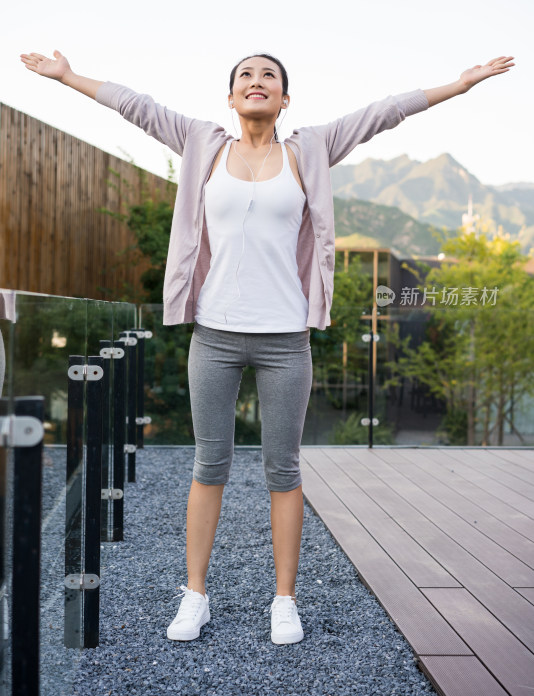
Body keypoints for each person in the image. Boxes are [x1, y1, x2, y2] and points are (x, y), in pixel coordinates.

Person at [20, 49, 514, 645]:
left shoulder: (311, 150)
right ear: (231, 98)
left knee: (283, 470)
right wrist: (69, 77)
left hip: (286, 339)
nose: (257, 83)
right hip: (216, 335)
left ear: (284, 99)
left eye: (269, 77)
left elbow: (386, 112)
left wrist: (459, 85)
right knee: (210, 466)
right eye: (245, 77)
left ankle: (284, 600)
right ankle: (195, 595)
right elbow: (137, 108)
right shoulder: (203, 143)